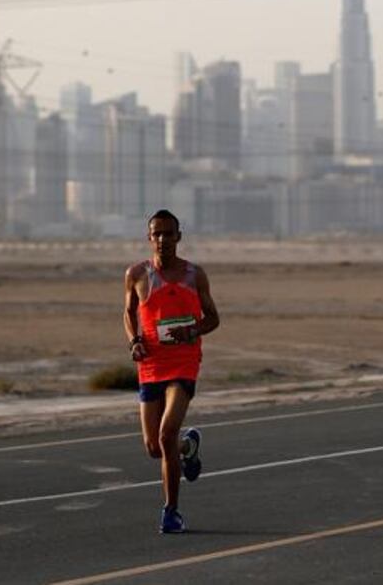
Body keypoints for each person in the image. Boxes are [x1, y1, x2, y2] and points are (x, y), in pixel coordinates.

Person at [124, 209, 220, 534]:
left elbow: (213, 318)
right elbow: (128, 312)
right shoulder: (136, 274)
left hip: (183, 363)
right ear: (149, 237)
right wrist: (134, 340)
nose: (163, 239)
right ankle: (188, 447)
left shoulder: (195, 275)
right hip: (150, 365)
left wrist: (192, 331)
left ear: (179, 237)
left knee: (166, 435)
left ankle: (171, 511)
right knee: (154, 447)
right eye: (157, 234)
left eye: (169, 233)